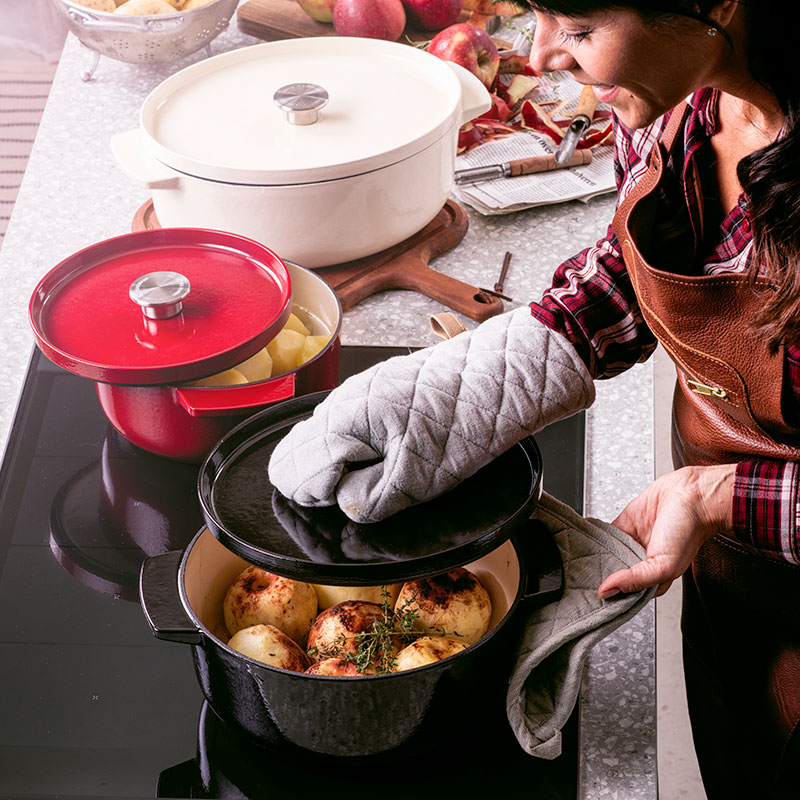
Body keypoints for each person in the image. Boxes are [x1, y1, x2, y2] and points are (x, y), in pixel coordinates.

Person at [268, 1, 799, 796]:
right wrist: (472, 384)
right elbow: (640, 262)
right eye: (539, 16)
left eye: (581, 29)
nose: (546, 56)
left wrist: (723, 494)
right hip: (726, 551)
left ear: (716, 4)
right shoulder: (680, 95)